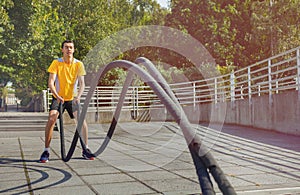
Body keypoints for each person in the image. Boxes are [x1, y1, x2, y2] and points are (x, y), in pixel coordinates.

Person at [39, 40, 94, 163]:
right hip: (58, 97)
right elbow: (51, 82)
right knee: (52, 118)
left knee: (81, 120)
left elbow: (82, 84)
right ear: (62, 49)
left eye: (71, 47)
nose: (69, 49)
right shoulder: (56, 63)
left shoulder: (78, 64)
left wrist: (78, 96)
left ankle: (86, 149)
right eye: (66, 47)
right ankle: (46, 150)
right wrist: (57, 95)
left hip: (72, 99)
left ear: (73, 50)